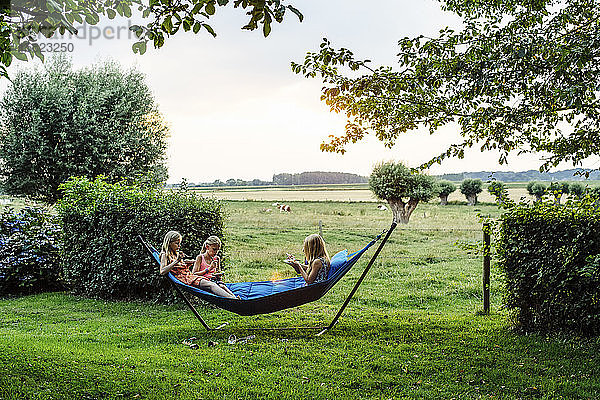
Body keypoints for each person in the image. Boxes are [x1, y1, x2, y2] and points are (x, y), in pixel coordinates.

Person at [159, 231, 237, 299]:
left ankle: (234, 298)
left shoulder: (175, 254)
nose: (179, 246)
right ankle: (233, 300)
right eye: (177, 243)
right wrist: (176, 261)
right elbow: (162, 271)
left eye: (180, 243)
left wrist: (186, 263)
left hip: (189, 276)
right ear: (169, 243)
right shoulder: (164, 254)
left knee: (214, 284)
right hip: (186, 279)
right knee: (211, 285)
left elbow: (178, 267)